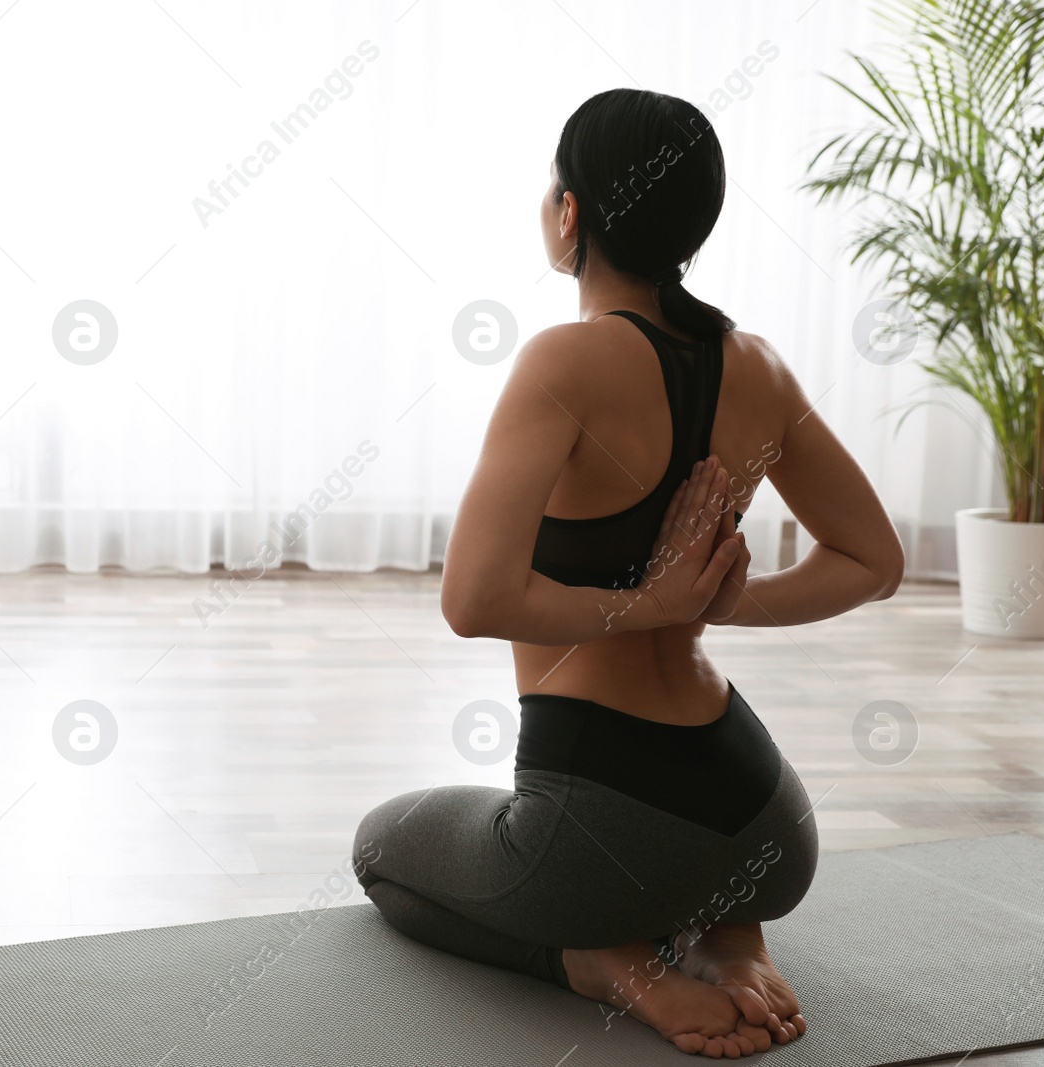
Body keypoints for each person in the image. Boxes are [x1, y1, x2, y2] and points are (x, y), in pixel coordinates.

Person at [352, 88, 904, 1058]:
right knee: (695, 867)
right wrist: (725, 606)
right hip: (766, 821)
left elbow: (471, 600)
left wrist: (656, 599)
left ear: (571, 213)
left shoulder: (562, 362)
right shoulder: (757, 365)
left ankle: (603, 963)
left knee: (381, 850)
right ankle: (731, 936)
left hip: (595, 829)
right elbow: (876, 560)